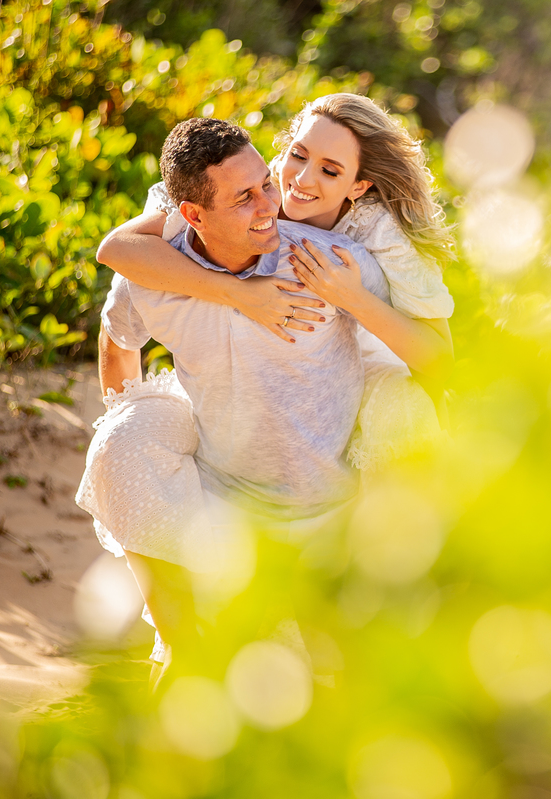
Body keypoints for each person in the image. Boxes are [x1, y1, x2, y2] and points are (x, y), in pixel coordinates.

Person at [76, 117, 393, 680]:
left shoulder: (328, 263)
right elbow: (117, 339)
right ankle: (182, 647)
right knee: (119, 439)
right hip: (222, 512)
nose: (270, 204)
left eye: (265, 183)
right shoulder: (152, 275)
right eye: (243, 197)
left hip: (334, 515)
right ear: (192, 215)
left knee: (338, 687)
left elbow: (409, 356)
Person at [96, 93, 456, 468]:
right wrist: (238, 293)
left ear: (358, 186)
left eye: (330, 171)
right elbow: (116, 248)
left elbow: (438, 360)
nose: (301, 179)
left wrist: (352, 296)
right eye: (298, 155)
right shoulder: (250, 186)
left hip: (371, 347)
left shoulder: (383, 234)